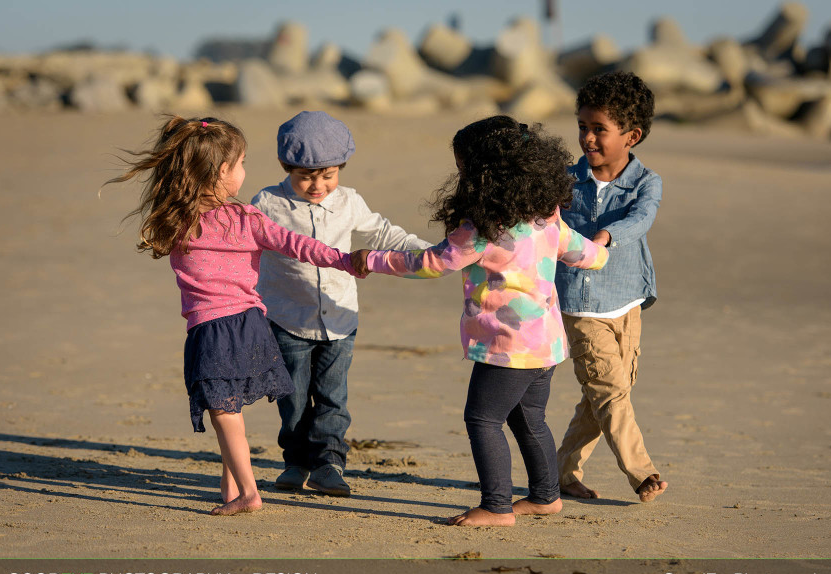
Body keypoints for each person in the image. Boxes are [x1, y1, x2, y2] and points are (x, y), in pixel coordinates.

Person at [351, 116, 609, 526]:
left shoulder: (483, 229)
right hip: (546, 345)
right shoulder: (546, 217)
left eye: (465, 169)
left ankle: (496, 505)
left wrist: (374, 259)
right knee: (529, 418)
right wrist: (602, 251)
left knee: (482, 418)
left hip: (507, 347)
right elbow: (581, 251)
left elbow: (432, 263)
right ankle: (545, 496)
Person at [108, 116, 362, 516]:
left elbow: (156, 236)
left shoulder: (178, 220)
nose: (245, 170)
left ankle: (248, 492)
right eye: (242, 162)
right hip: (251, 325)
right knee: (229, 409)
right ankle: (231, 487)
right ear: (222, 172)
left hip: (213, 328)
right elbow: (300, 245)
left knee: (224, 413)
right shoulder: (247, 218)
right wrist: (344, 260)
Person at [251, 111, 431, 497]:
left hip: (341, 319)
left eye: (328, 175)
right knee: (293, 399)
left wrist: (431, 253)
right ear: (286, 166)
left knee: (334, 398)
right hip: (286, 320)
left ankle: (329, 464)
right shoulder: (267, 203)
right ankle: (296, 462)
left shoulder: (350, 201)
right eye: (306, 176)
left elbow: (384, 232)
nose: (318, 185)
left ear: (341, 168)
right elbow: (241, 248)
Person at [554, 71, 668, 502]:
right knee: (607, 390)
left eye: (599, 129)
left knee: (606, 394)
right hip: (578, 304)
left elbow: (642, 218)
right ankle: (642, 473)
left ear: (631, 135)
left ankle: (560, 471)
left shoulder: (646, 182)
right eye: (582, 127)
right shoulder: (564, 180)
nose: (587, 138)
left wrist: (607, 235)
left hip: (626, 301)